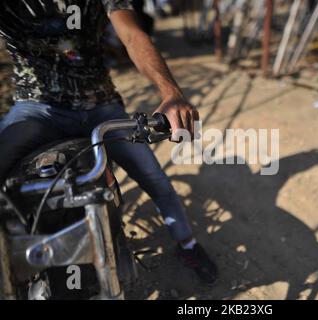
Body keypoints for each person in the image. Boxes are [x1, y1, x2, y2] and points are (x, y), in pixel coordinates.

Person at [0, 0, 217, 284]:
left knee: (155, 179)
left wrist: (171, 94)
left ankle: (188, 244)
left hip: (101, 105)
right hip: (36, 107)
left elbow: (132, 35)